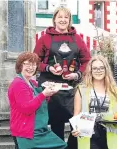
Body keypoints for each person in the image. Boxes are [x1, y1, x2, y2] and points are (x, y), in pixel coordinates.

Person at [33, 6, 91, 143]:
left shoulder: (77, 39)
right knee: (55, 126)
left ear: (70, 20)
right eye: (60, 17)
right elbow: (34, 62)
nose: (63, 20)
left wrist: (77, 74)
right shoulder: (44, 39)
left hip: (72, 90)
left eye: (66, 17)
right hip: (50, 90)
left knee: (76, 125)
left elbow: (87, 61)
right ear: (54, 19)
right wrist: (48, 68)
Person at [8, 52, 67, 149]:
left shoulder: (32, 83)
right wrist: (43, 94)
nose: (31, 67)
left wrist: (48, 94)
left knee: (62, 145)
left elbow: (38, 105)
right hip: (27, 132)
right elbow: (26, 108)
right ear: (20, 65)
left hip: (38, 129)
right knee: (61, 146)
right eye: (27, 64)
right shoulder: (19, 84)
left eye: (33, 65)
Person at [70, 55, 117, 149]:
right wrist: (75, 128)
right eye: (95, 68)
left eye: (101, 68)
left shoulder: (115, 91)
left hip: (109, 136)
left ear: (106, 70)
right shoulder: (81, 90)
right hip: (87, 136)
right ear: (90, 71)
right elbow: (76, 115)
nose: (98, 71)